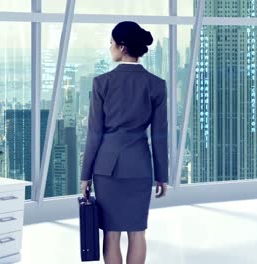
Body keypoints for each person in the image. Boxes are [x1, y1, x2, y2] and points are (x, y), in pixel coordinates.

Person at [80, 21, 168, 264]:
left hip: (106, 169)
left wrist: (85, 174)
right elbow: (160, 135)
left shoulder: (101, 83)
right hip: (139, 168)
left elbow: (94, 133)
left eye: (111, 43)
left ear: (122, 46)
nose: (110, 48)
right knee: (137, 232)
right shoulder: (157, 85)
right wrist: (162, 175)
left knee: (111, 233)